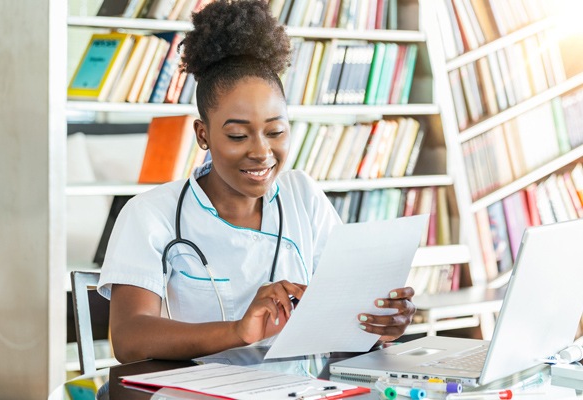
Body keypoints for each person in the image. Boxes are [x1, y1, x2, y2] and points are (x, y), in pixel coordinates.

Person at [98, 0, 416, 363]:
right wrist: (237, 330)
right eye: (237, 136)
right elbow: (129, 338)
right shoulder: (150, 214)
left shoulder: (303, 196)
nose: (261, 152)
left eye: (275, 131)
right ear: (203, 135)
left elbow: (339, 316)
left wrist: (379, 323)